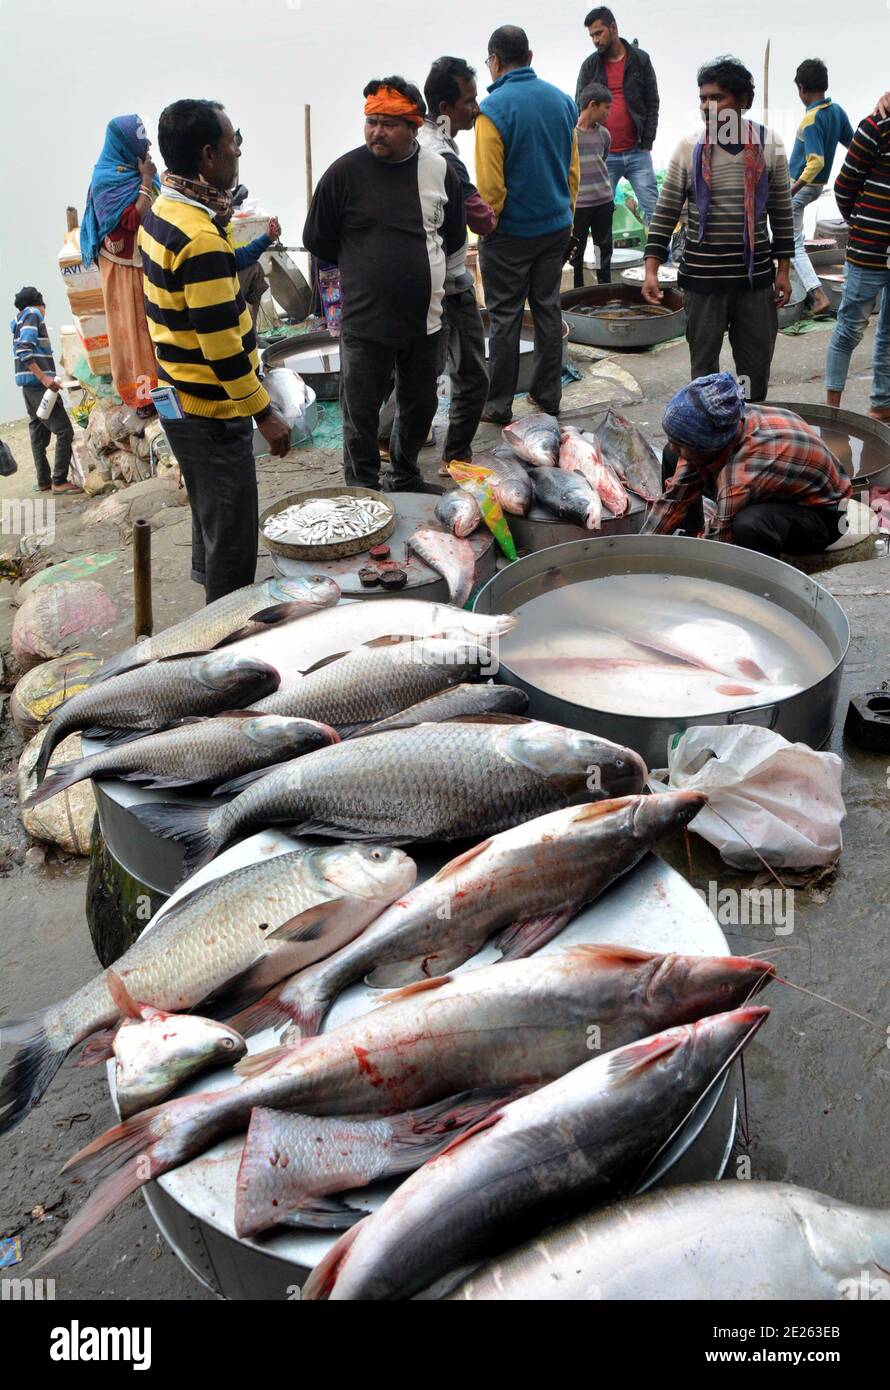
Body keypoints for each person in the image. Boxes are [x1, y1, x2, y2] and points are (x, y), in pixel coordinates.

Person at [138, 99, 291, 604]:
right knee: (233, 540)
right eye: (231, 142)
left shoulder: (165, 208)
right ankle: (225, 647)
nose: (238, 149)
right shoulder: (199, 235)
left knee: (212, 518)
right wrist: (264, 413)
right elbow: (222, 347)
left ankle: (215, 612)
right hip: (210, 409)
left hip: (177, 396)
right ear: (207, 155)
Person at [304, 76, 466, 493]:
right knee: (359, 414)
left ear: (414, 127)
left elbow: (453, 236)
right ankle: (362, 489)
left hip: (425, 320)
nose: (377, 130)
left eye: (389, 123)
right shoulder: (344, 174)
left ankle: (405, 476)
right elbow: (318, 239)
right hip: (365, 323)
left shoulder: (438, 170)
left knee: (418, 405)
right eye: (371, 121)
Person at [642, 56, 794, 402]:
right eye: (703, 98)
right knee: (704, 377)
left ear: (743, 101)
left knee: (753, 375)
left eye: (717, 98)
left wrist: (783, 270)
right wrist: (651, 269)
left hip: (754, 282)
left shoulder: (768, 146)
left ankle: (748, 436)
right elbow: (665, 212)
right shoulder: (688, 149)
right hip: (702, 282)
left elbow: (782, 213)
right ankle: (712, 442)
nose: (707, 107)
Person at [475, 26, 579, 423]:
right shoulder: (562, 102)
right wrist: (564, 214)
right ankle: (547, 396)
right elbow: (573, 170)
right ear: (530, 57)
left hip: (510, 233)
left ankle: (499, 405)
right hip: (555, 226)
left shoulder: (493, 110)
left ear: (495, 62)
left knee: (505, 317)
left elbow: (489, 187)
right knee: (548, 311)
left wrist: (488, 227)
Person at [643, 373, 852, 558]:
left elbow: (716, 546)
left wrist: (688, 570)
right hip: (779, 488)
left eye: (683, 444)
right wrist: (640, 548)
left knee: (748, 525)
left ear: (711, 445)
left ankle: (762, 584)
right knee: (673, 456)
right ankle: (688, 534)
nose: (674, 446)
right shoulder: (727, 421)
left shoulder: (741, 475)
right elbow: (673, 501)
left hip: (825, 515)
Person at [420, 55, 496, 470]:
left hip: (427, 280)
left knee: (420, 373)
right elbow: (480, 218)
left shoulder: (427, 141)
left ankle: (387, 441)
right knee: (471, 375)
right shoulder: (445, 158)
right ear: (446, 109)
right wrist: (493, 214)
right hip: (448, 282)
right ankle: (458, 457)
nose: (477, 108)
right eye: (469, 100)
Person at [79, 116, 161, 412]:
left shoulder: (134, 172)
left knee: (154, 323)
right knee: (133, 329)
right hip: (121, 266)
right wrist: (147, 181)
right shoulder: (106, 180)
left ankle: (165, 384)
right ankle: (144, 395)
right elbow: (128, 221)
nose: (148, 144)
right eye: (141, 140)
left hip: (144, 260)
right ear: (125, 145)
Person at [825, 106, 890, 420]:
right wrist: (865, 225)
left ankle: (881, 406)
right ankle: (831, 414)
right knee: (849, 329)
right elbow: (844, 186)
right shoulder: (876, 126)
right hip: (868, 252)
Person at [574, 8, 660, 226]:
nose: (595, 40)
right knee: (598, 214)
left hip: (637, 152)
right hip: (603, 157)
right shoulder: (590, 65)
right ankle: (604, 259)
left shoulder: (640, 60)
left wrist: (648, 140)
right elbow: (579, 105)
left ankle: (663, 258)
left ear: (613, 28)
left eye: (599, 33)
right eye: (592, 35)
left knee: (654, 210)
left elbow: (652, 101)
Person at [789, 60, 853, 316]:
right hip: (816, 187)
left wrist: (791, 192)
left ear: (802, 89)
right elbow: (853, 143)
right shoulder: (836, 111)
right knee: (787, 239)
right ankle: (797, 284)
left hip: (802, 186)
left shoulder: (811, 119)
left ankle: (817, 295)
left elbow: (816, 162)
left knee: (792, 244)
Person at [11, 287, 80, 494]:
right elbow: (24, 349)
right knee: (64, 430)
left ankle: (43, 481)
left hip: (27, 388)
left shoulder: (19, 321)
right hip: (40, 387)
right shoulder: (33, 315)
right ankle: (59, 480)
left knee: (38, 434)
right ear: (40, 304)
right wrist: (44, 378)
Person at [571, 82, 614, 286]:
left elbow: (602, 159)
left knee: (602, 247)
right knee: (575, 250)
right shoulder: (571, 135)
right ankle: (578, 289)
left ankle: (603, 286)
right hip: (579, 205)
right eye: (606, 108)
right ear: (592, 105)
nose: (608, 113)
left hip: (603, 202)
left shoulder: (603, 134)